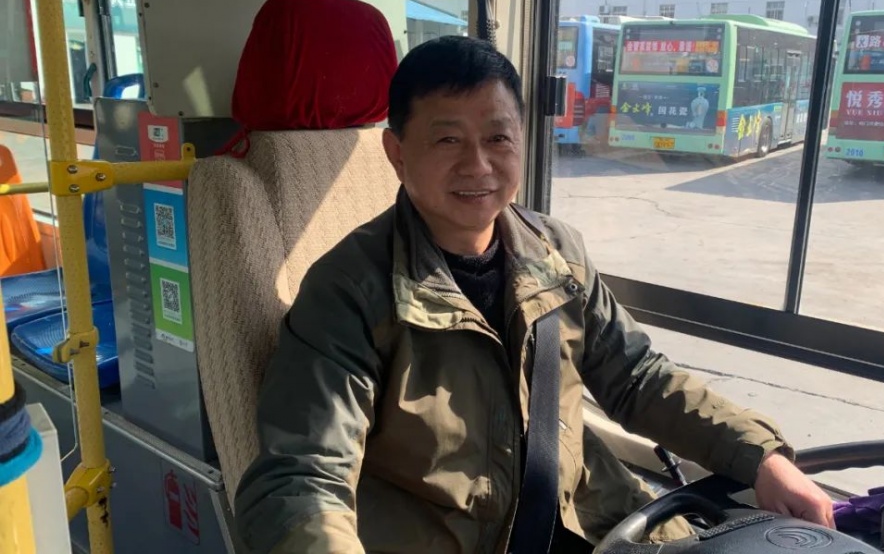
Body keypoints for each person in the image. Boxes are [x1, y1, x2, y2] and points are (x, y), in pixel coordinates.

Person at [234, 35, 834, 554]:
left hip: (588, 521)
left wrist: (760, 457)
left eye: (498, 137)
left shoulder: (557, 252)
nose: (479, 165)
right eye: (447, 141)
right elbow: (305, 477)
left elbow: (637, 379)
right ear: (397, 153)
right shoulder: (348, 290)